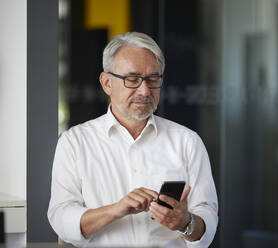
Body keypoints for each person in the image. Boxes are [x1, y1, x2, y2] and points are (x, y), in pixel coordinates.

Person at [47, 32, 218, 248]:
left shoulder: (187, 141)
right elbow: (61, 218)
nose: (145, 90)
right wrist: (116, 210)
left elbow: (208, 222)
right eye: (133, 79)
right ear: (107, 83)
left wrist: (186, 223)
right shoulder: (75, 142)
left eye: (153, 79)